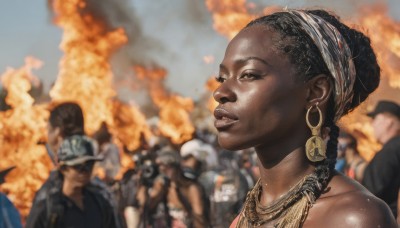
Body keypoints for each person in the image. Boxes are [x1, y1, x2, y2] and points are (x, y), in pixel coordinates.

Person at [212, 9, 397, 227]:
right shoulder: (245, 217)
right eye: (221, 77)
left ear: (315, 92)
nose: (220, 92)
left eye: (249, 74)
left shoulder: (353, 218)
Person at [26, 135, 117, 228]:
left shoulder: (99, 203)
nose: (85, 171)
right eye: (78, 166)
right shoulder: (48, 207)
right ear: (63, 168)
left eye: (89, 165)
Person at [135, 150, 209, 228]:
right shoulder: (165, 187)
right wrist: (143, 184)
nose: (162, 169)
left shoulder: (191, 188)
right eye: (159, 167)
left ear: (175, 166)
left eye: (165, 165)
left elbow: (199, 217)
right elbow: (145, 207)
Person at [362, 100, 400, 220]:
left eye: (375, 119)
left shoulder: (390, 150)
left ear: (389, 122)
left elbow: (369, 193)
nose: (372, 124)